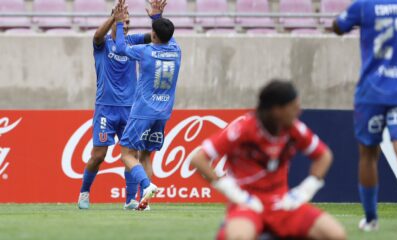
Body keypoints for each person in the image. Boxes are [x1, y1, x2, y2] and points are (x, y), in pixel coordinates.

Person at [191, 81, 347, 240]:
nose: (299, 111)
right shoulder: (243, 129)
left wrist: (306, 189)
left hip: (283, 205)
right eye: (293, 107)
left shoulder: (294, 129)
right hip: (248, 205)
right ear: (276, 110)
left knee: (336, 234)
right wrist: (233, 192)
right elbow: (199, 159)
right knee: (239, 237)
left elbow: (323, 156)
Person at [77, 0, 167, 210]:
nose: (125, 26)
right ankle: (84, 192)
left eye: (128, 22)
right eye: (123, 22)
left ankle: (130, 200)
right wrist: (113, 19)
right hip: (105, 109)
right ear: (114, 21)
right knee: (98, 155)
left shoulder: (133, 42)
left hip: (130, 109)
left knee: (131, 155)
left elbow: (158, 37)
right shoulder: (103, 44)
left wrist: (158, 18)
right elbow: (96, 36)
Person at [333, 0, 397, 231]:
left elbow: (338, 26)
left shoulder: (363, 6)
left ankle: (371, 219)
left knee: (368, 153)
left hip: (371, 90)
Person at [113, 0, 181, 210]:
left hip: (143, 111)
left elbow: (120, 47)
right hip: (163, 113)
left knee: (127, 154)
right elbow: (165, 35)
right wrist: (157, 17)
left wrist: (117, 23)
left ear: (153, 35)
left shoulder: (146, 51)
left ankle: (147, 185)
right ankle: (146, 202)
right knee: (146, 155)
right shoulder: (176, 50)